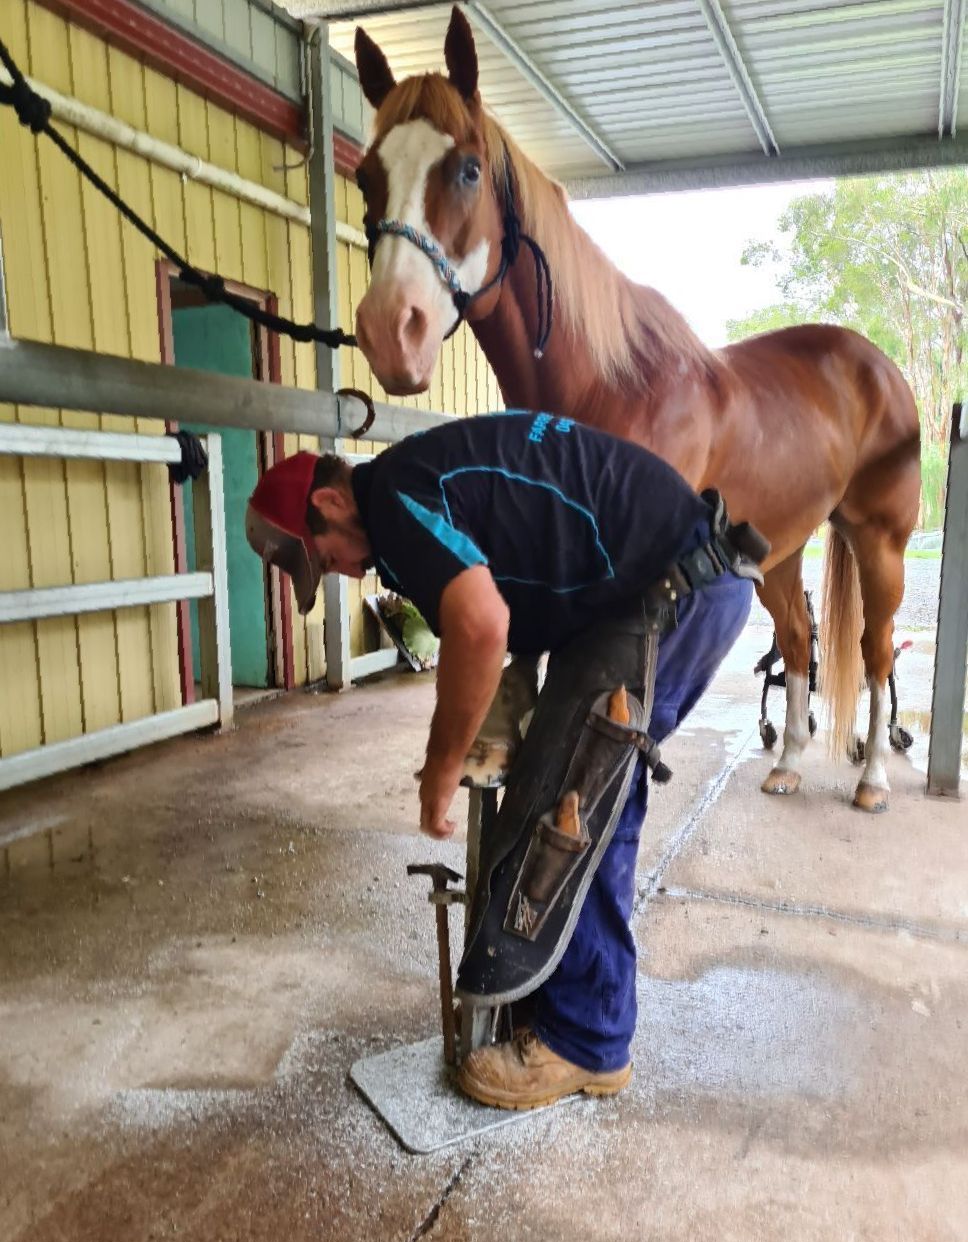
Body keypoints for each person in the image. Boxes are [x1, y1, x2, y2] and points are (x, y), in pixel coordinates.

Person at [245, 410, 764, 1110]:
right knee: (580, 788)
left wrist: (440, 765)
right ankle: (557, 995)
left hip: (675, 592)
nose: (337, 571)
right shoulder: (414, 492)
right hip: (660, 587)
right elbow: (517, 582)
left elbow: (481, 624)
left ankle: (587, 1040)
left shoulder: (396, 500)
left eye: (324, 554)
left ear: (332, 502)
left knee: (580, 803)